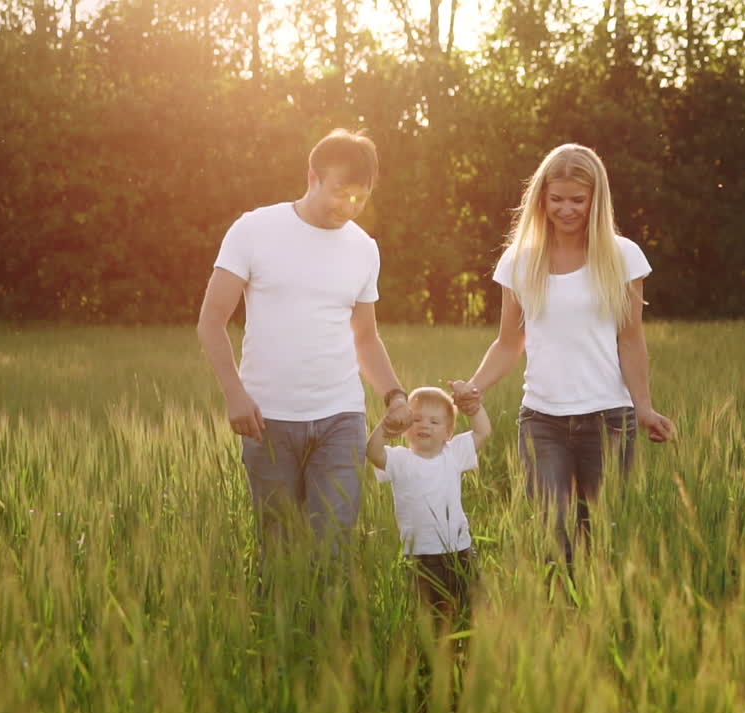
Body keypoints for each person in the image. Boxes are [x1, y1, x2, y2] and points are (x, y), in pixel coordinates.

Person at [452, 143, 676, 569]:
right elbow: (508, 342)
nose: (566, 209)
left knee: (600, 538)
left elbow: (630, 339)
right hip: (542, 422)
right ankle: (558, 623)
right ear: (541, 198)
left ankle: (596, 624)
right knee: (552, 535)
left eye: (578, 199)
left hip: (610, 420)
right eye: (556, 199)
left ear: (596, 199)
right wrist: (475, 388)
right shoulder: (519, 261)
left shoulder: (623, 256)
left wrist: (643, 408)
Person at [196, 128, 413, 558]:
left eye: (360, 197)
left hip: (340, 418)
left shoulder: (364, 249)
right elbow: (211, 320)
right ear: (312, 176)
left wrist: (393, 393)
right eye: (339, 191)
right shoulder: (254, 229)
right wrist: (235, 395)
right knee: (280, 551)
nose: (348, 206)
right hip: (267, 420)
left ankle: (330, 627)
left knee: (332, 548)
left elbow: (365, 338)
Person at [366, 387, 491, 622]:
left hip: (459, 552)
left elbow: (483, 431)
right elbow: (372, 452)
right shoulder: (399, 459)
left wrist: (472, 405)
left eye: (435, 421)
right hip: (419, 558)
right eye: (416, 419)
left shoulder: (453, 454)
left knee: (470, 611)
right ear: (405, 427)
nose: (425, 425)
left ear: (448, 432)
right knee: (429, 618)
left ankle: (468, 652)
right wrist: (385, 427)